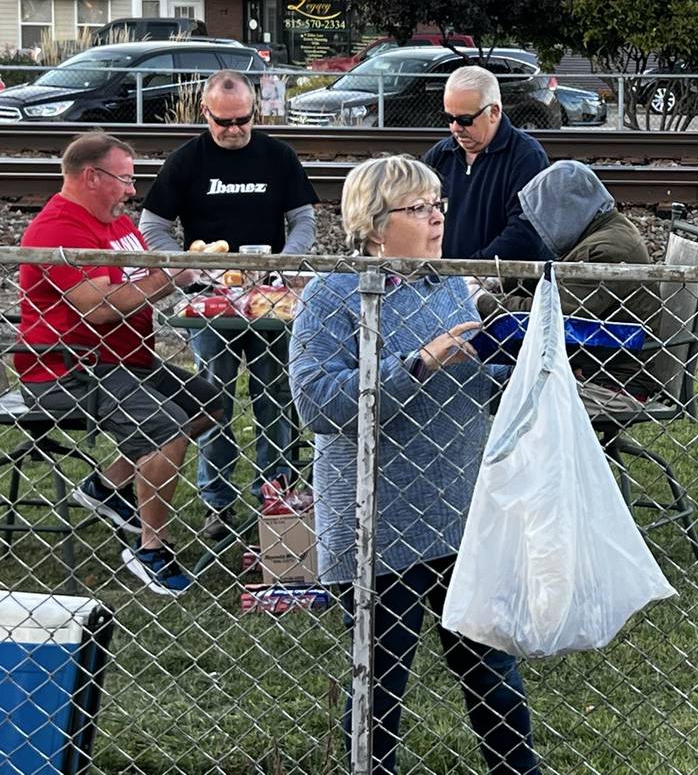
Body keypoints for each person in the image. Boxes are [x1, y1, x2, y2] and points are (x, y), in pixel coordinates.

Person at [289, 154, 539, 775]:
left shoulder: (448, 281)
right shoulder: (333, 294)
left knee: (489, 664)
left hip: (457, 514)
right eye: (419, 208)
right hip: (377, 522)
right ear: (374, 224)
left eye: (439, 205)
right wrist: (418, 363)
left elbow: (473, 378)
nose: (436, 218)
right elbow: (318, 403)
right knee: (379, 679)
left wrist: (521, 371)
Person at [19, 132, 220, 596]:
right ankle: (150, 549)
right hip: (67, 369)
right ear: (92, 176)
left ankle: (106, 487)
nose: (132, 190)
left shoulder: (112, 219)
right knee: (165, 427)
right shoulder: (60, 230)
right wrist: (170, 276)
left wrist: (181, 274)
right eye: (125, 180)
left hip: (124, 361)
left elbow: (141, 276)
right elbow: (101, 307)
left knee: (209, 403)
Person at [140, 69, 319, 538]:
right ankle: (216, 502)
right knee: (212, 399)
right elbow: (152, 223)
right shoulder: (186, 160)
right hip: (209, 302)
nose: (234, 129)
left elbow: (304, 219)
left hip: (269, 299)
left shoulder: (278, 156)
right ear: (206, 114)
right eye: (224, 122)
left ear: (254, 113)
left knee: (275, 399)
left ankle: (274, 494)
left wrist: (284, 263)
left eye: (242, 120)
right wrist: (189, 266)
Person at [478, 160, 662, 406]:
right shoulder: (602, 231)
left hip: (609, 381)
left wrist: (482, 301)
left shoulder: (605, 251)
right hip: (597, 363)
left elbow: (553, 313)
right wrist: (502, 282)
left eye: (544, 216)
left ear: (565, 211)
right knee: (482, 376)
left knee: (475, 385)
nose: (538, 227)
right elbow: (556, 281)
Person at [421, 65, 549, 262]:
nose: (456, 128)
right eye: (449, 118)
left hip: (500, 285)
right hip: (441, 281)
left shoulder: (527, 157)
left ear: (494, 112)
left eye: (465, 119)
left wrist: (474, 273)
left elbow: (526, 233)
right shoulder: (439, 156)